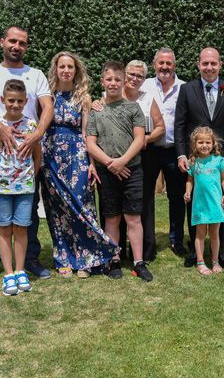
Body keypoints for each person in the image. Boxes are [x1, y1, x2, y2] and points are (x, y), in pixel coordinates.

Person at [0, 25, 54, 285]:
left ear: (26, 47)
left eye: (22, 43)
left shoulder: (36, 74)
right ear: (2, 42)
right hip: (0, 157)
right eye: (12, 41)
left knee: (28, 213)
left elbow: (47, 106)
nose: (17, 46)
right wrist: (1, 128)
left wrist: (37, 133)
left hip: (27, 159)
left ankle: (29, 259)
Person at [41, 51, 119, 279]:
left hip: (77, 157)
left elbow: (88, 134)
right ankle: (63, 257)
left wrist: (92, 163)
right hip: (51, 158)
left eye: (70, 67)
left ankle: (86, 258)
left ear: (76, 71)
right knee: (57, 210)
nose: (66, 70)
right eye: (62, 66)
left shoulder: (83, 97)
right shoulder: (47, 96)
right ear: (56, 69)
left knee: (81, 206)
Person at [174, 47, 224, 268]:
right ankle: (197, 253)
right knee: (194, 204)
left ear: (220, 64)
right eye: (205, 63)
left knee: (220, 203)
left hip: (220, 161)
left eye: (213, 63)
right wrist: (182, 154)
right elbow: (179, 124)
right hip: (195, 160)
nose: (209, 67)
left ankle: (219, 250)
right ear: (198, 65)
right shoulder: (187, 89)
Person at [86, 60, 153, 282]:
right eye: (109, 79)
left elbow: (140, 138)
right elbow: (90, 143)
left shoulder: (133, 108)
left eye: (117, 79)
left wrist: (122, 161)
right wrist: (110, 163)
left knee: (133, 217)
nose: (113, 83)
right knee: (112, 217)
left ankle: (138, 262)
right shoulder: (96, 110)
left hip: (132, 169)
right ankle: (113, 259)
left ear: (124, 82)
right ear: (102, 81)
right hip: (107, 172)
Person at [0, 79, 41, 296]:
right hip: (2, 188)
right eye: (11, 101)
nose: (15, 105)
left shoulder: (32, 126)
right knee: (4, 228)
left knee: (22, 228)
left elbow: (38, 154)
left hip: (25, 187)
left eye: (19, 101)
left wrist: (29, 177)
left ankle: (20, 270)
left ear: (25, 102)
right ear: (3, 100)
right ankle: (8, 274)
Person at [140, 48, 187, 257]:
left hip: (174, 151)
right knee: (146, 197)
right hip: (149, 149)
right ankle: (147, 243)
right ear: (154, 64)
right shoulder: (145, 85)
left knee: (177, 198)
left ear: (174, 65)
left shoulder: (184, 88)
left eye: (169, 63)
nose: (165, 67)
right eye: (161, 63)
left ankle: (177, 240)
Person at [118, 59, 165, 262]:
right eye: (131, 74)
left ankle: (146, 251)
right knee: (117, 202)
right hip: (117, 154)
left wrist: (146, 138)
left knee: (144, 201)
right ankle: (117, 251)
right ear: (124, 74)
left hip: (145, 155)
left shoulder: (148, 98)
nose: (135, 79)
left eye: (140, 76)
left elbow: (160, 126)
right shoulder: (110, 95)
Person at [183, 126, 224, 275]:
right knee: (200, 234)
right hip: (200, 205)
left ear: (213, 143)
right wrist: (188, 191)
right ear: (194, 144)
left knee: (215, 234)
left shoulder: (218, 160)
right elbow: (189, 180)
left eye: (208, 142)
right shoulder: (193, 162)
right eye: (201, 142)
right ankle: (200, 262)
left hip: (215, 203)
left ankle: (215, 261)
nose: (204, 145)